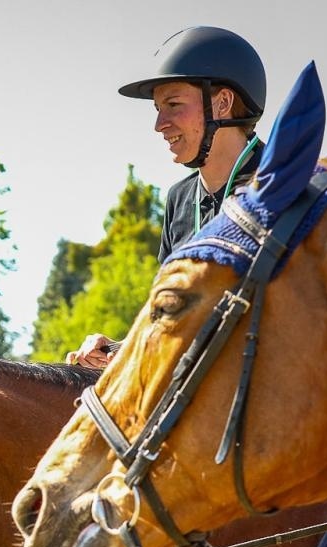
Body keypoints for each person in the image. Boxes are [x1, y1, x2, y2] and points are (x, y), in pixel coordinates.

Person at [67, 26, 267, 369]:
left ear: (222, 103)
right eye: (158, 109)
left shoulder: (276, 185)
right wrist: (114, 350)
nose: (160, 124)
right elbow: (166, 321)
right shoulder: (179, 198)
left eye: (173, 105)